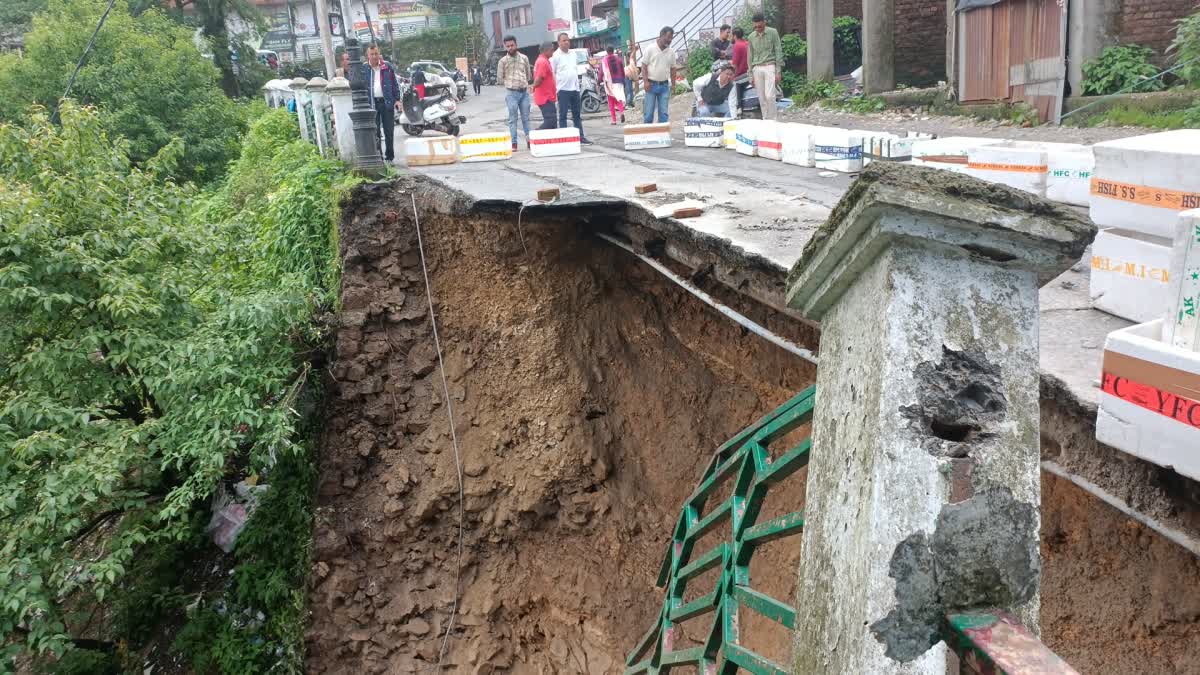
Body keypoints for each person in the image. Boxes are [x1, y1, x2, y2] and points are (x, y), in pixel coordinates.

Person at [551, 33, 593, 144]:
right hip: (562, 89)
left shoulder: (573, 54)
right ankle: (564, 139)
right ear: (559, 42)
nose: (567, 42)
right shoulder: (555, 56)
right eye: (564, 40)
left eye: (568, 40)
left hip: (575, 89)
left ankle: (581, 137)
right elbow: (552, 73)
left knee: (577, 115)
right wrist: (556, 89)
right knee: (563, 115)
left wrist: (577, 87)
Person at [362, 44, 400, 162]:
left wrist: (398, 100)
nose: (374, 56)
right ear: (367, 55)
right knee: (375, 131)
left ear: (379, 54)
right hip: (372, 104)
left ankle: (389, 158)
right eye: (372, 54)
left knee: (389, 131)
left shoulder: (386, 66)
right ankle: (379, 157)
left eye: (376, 54)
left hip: (387, 103)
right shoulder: (364, 69)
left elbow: (394, 84)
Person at [497, 35, 533, 152]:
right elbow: (499, 79)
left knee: (526, 118)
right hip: (511, 93)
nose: (510, 48)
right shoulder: (502, 61)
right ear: (505, 47)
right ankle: (514, 144)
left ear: (516, 45)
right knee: (513, 119)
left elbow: (529, 75)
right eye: (507, 46)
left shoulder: (524, 58)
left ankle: (529, 142)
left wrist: (523, 83)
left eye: (512, 45)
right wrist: (509, 83)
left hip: (524, 93)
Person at [747, 12, 783, 120]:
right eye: (755, 26)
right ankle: (765, 119)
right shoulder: (751, 37)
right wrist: (750, 75)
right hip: (756, 68)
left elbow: (778, 51)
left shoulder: (773, 32)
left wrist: (778, 71)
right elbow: (749, 57)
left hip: (769, 66)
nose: (758, 28)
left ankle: (773, 120)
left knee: (770, 95)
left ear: (764, 23)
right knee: (762, 98)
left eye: (760, 26)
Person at [641, 26, 677, 124]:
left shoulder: (671, 52)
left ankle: (662, 137)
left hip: (664, 86)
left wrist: (673, 84)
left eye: (671, 38)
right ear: (661, 36)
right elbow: (644, 65)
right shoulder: (650, 49)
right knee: (648, 114)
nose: (669, 40)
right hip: (651, 85)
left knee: (664, 114)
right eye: (668, 37)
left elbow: (673, 69)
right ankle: (647, 136)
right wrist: (645, 82)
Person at [532, 41, 558, 129]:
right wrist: (533, 87)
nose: (553, 52)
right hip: (545, 98)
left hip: (547, 97)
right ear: (546, 50)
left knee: (553, 123)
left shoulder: (542, 60)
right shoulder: (543, 62)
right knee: (550, 121)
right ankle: (535, 136)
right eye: (551, 50)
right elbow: (539, 79)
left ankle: (549, 141)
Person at [600, 46, 626, 125]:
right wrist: (623, 82)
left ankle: (614, 120)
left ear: (607, 51)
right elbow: (622, 70)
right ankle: (621, 112)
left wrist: (598, 81)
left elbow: (601, 72)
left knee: (611, 101)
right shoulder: (619, 59)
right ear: (613, 51)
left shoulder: (604, 60)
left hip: (610, 83)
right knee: (619, 98)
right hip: (619, 81)